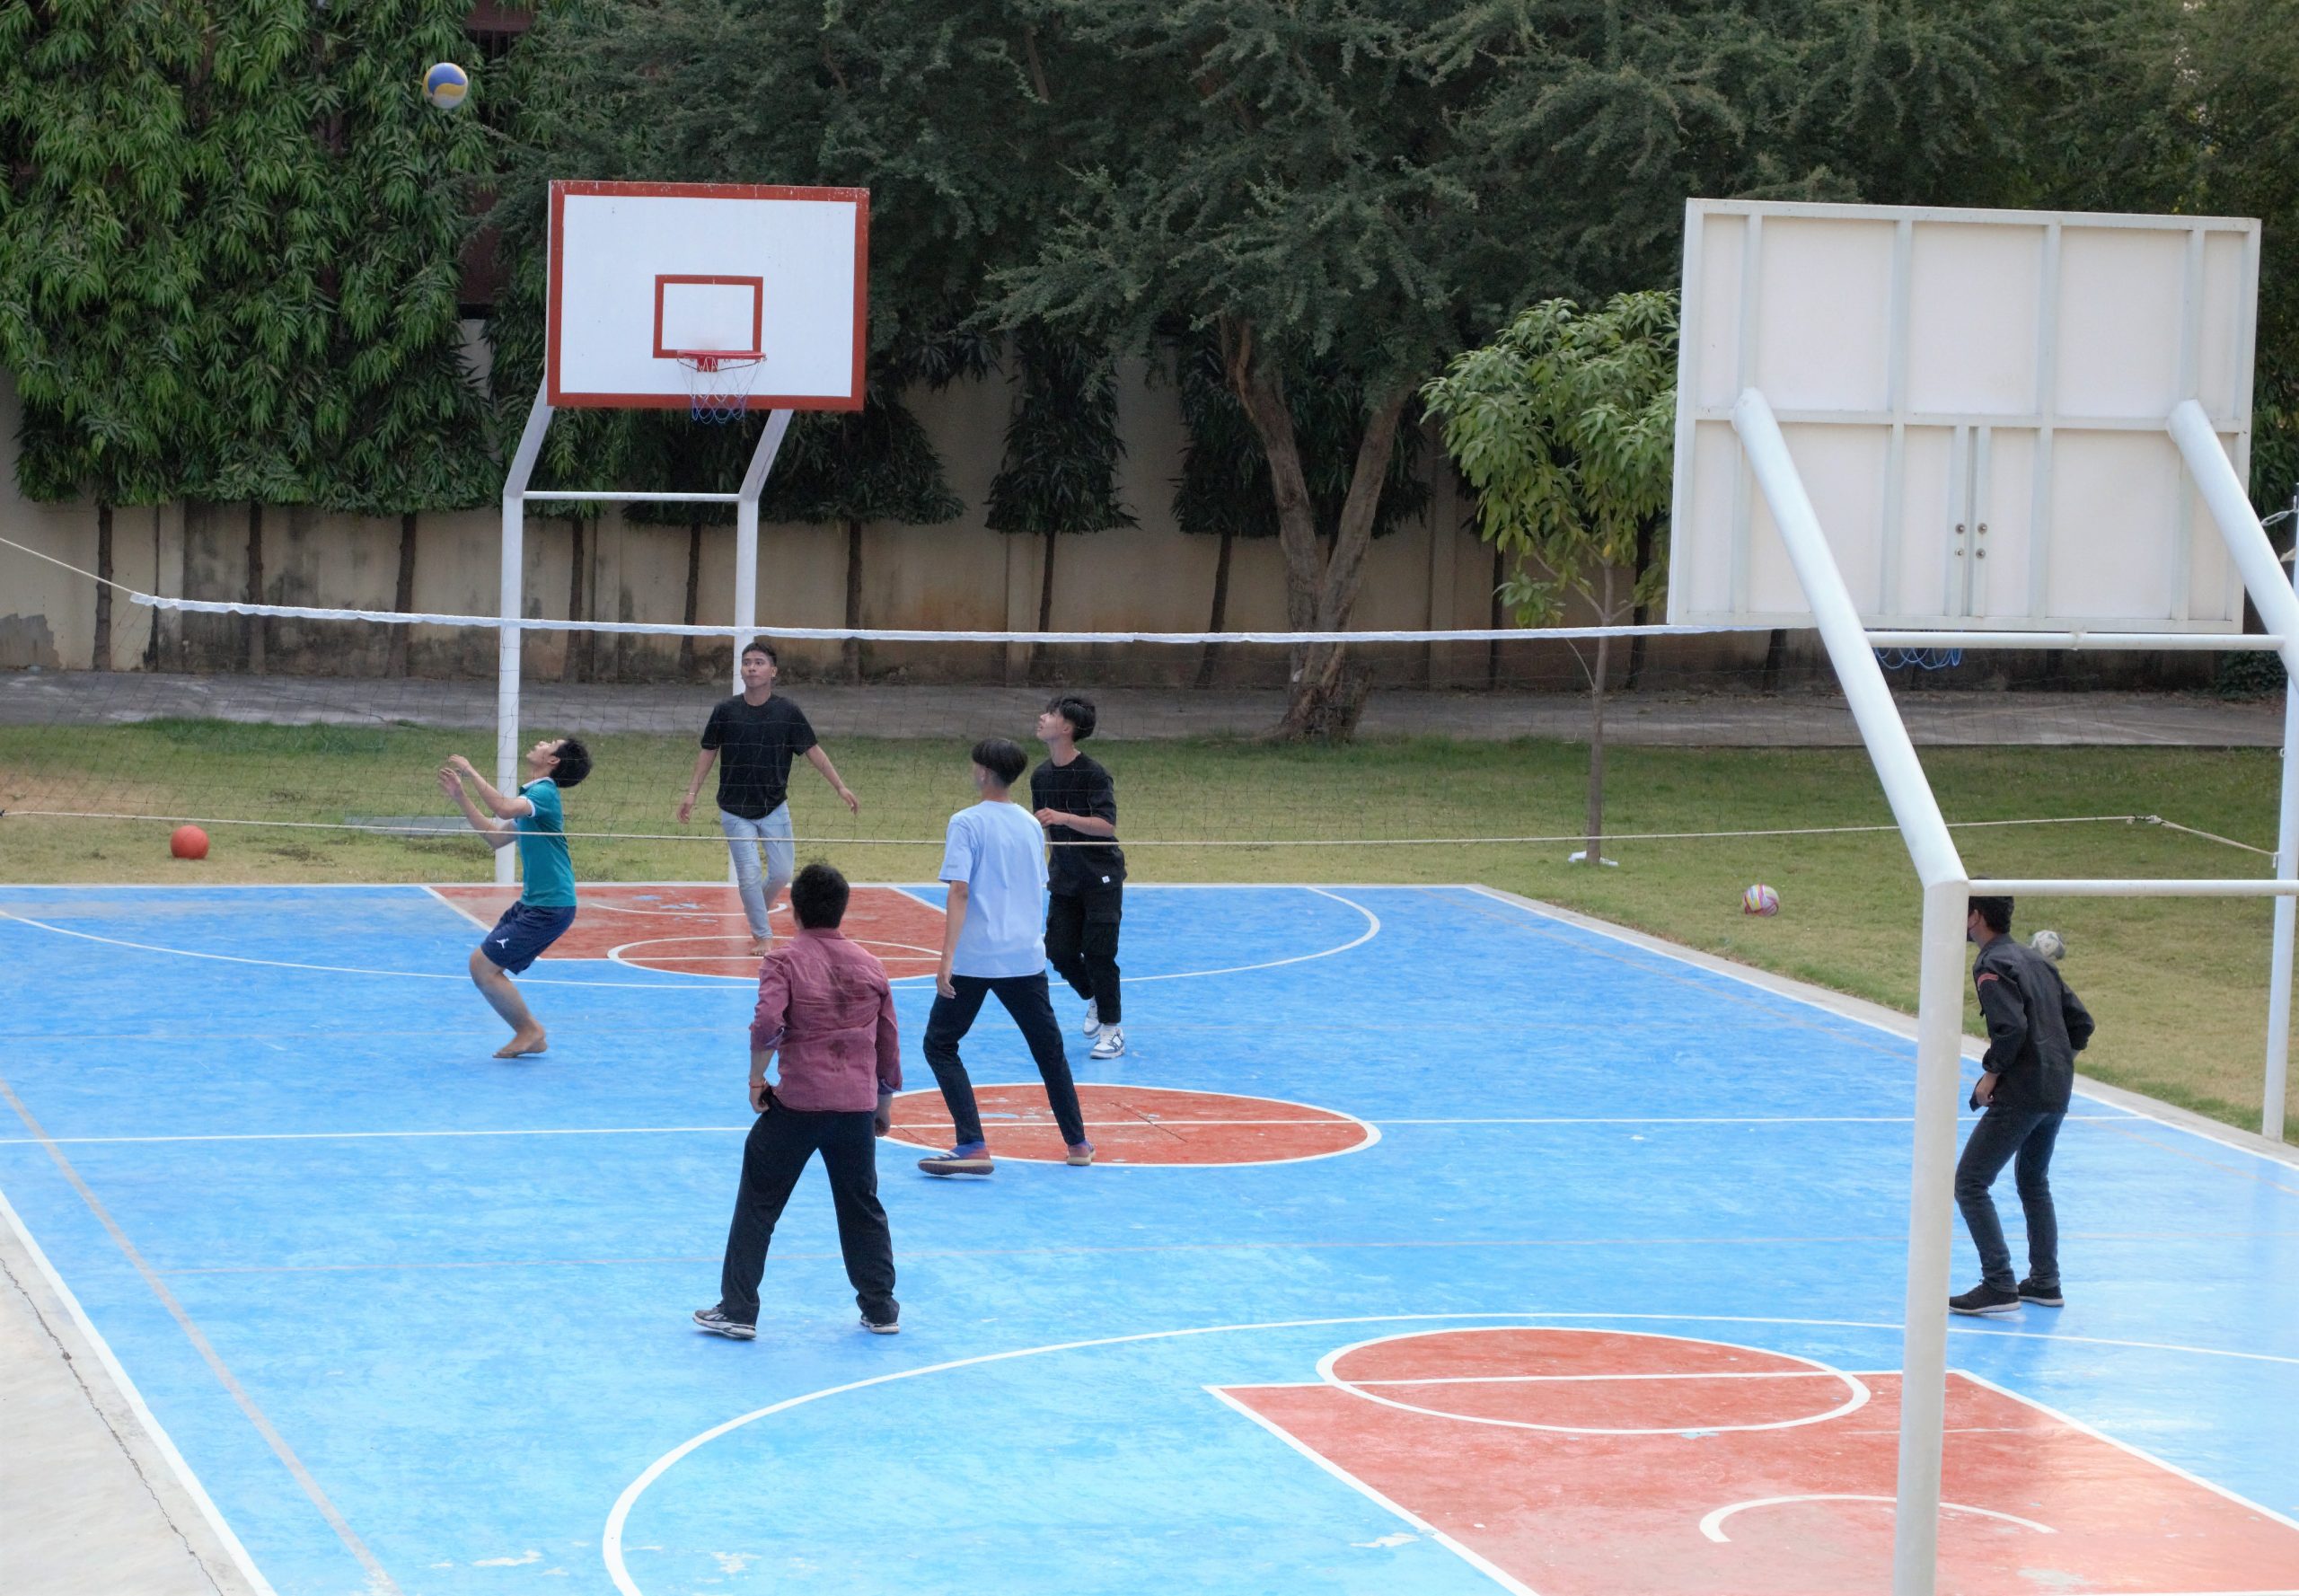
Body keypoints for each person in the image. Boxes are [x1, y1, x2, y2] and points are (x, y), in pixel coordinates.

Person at [694, 862, 903, 1340]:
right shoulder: (872, 966)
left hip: (799, 1104)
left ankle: (739, 1308)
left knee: (758, 1204)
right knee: (861, 1204)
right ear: (842, 910)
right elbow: (888, 1041)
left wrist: (756, 1079)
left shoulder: (783, 961)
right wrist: (883, 1103)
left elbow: (768, 1024)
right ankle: (881, 1306)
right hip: (854, 1107)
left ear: (795, 912)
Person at [917, 738, 1095, 1177]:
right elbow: (1037, 884)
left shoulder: (965, 823)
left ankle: (972, 1143)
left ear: (982, 772)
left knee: (939, 1044)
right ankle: (1078, 1142)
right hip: (1024, 958)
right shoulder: (1031, 826)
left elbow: (959, 890)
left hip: (977, 959)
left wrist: (946, 959)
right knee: (1049, 1051)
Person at [1951, 895, 2094, 1317]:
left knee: (1970, 1183)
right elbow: (2081, 1024)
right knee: (2033, 1181)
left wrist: (1993, 1075)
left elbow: (2010, 1028)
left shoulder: (1991, 964)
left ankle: (1999, 1284)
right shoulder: (2036, 960)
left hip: (2024, 1091)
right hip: (2056, 1089)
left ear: (1975, 916)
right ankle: (2045, 1282)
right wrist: (2053, 1062)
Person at [677, 639, 859, 957]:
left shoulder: (787, 712)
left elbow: (813, 751)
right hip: (734, 809)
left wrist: (840, 787)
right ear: (741, 670)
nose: (752, 667)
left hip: (774, 806)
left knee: (781, 874)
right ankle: (763, 935)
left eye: (759, 662)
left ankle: (754, 908)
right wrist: (691, 793)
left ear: (773, 671)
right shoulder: (725, 711)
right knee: (748, 874)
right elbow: (708, 752)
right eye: (747, 662)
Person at [437, 737, 592, 1058]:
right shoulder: (534, 799)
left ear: (553, 762)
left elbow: (504, 807)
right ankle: (529, 1031)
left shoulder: (544, 794)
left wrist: (469, 771)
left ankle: (530, 1031)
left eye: (551, 743)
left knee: (482, 967)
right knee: (484, 969)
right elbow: (495, 837)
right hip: (534, 903)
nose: (542, 742)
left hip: (550, 907)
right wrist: (460, 797)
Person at [1032, 693, 1128, 1060]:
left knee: (1101, 952)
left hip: (1101, 876)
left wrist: (1064, 817)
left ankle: (1112, 1029)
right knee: (1058, 950)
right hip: (1065, 877)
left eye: (1050, 714)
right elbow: (1042, 827)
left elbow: (1107, 825)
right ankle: (1093, 997)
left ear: (1067, 728)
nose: (1042, 718)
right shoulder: (1041, 775)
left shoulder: (1093, 773)